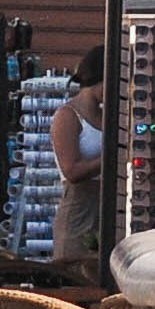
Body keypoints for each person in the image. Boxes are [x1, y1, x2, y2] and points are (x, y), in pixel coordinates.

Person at [49, 49, 106, 269]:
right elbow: (71, 170)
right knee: (74, 271)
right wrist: (110, 157)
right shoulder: (68, 115)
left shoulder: (108, 115)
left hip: (106, 202)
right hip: (80, 205)